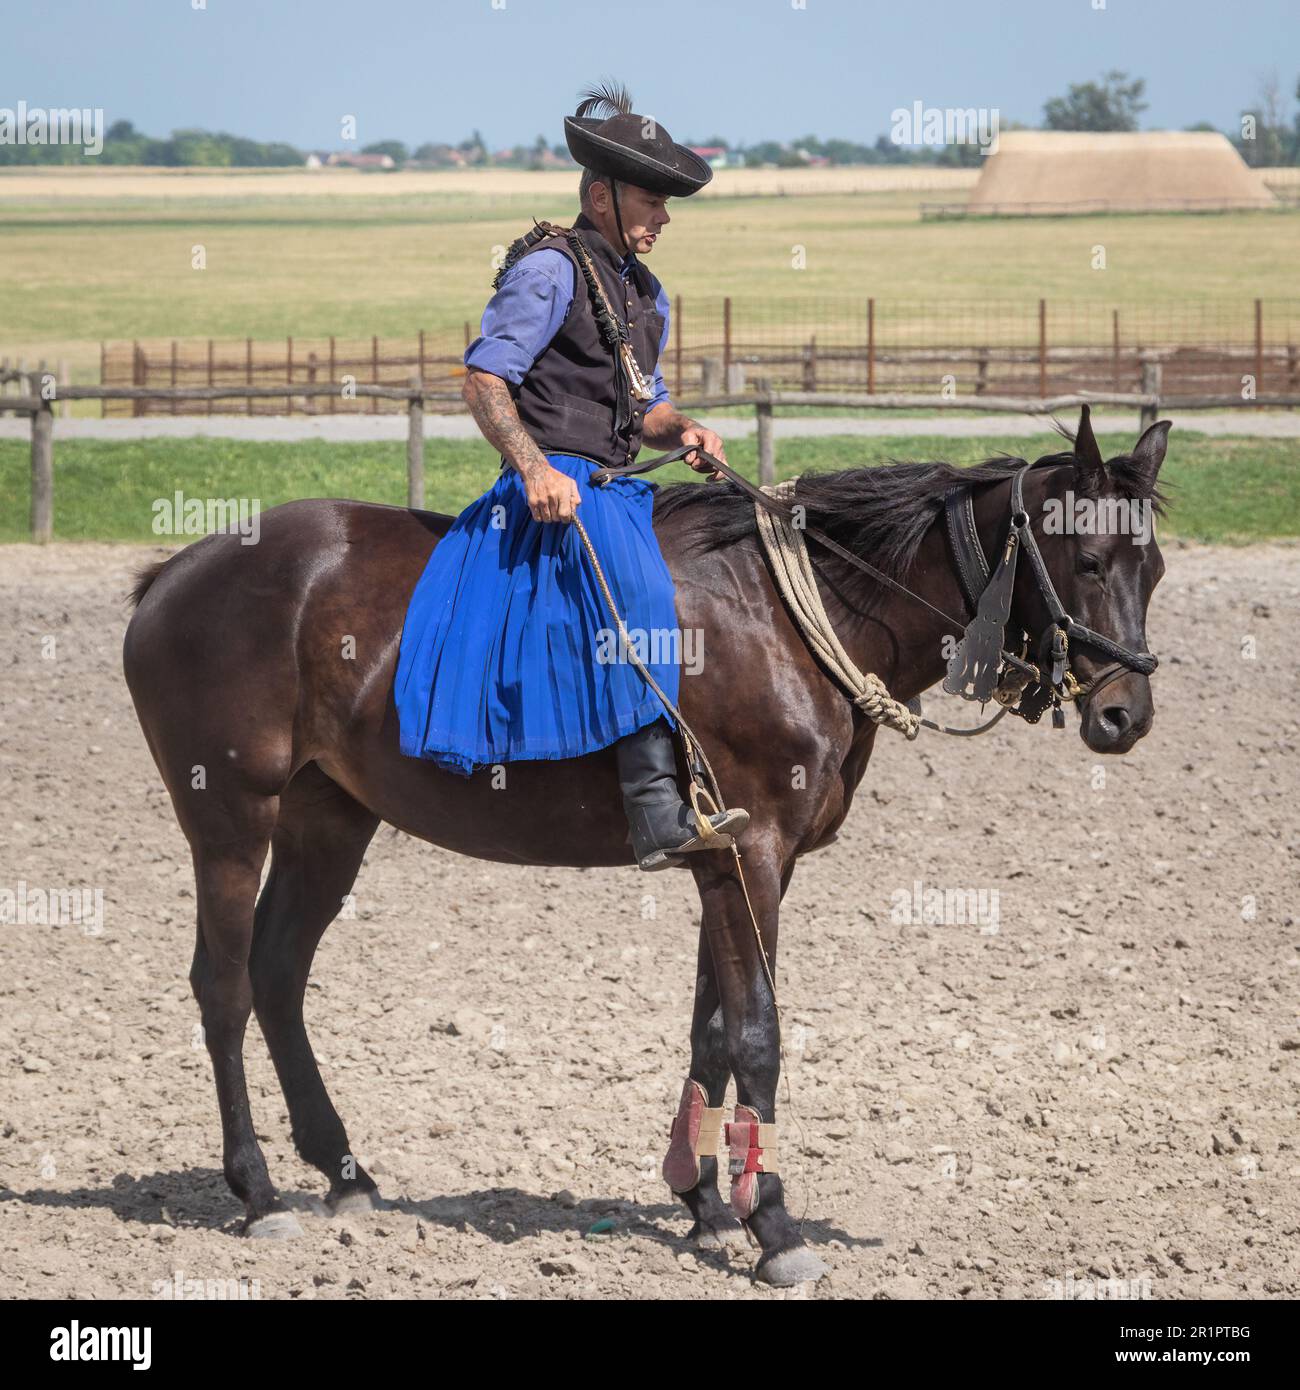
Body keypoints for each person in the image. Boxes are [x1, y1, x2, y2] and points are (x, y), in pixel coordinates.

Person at [395, 82, 748, 871]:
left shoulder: (642, 290)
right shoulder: (550, 272)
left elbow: (644, 406)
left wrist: (685, 428)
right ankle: (657, 809)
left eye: (666, 204)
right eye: (652, 201)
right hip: (556, 493)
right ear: (601, 195)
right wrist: (534, 470)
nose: (663, 217)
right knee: (648, 597)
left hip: (618, 483)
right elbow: (485, 383)